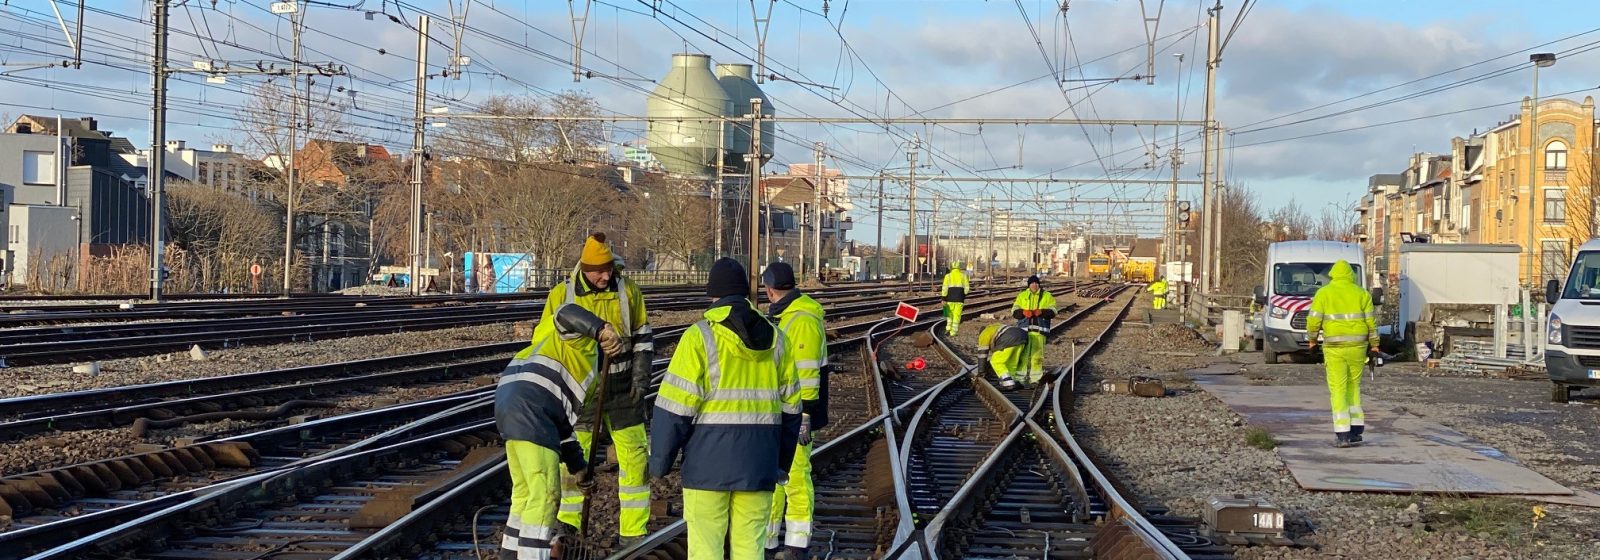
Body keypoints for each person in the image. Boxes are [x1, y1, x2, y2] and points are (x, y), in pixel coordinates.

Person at [651, 258, 802, 560]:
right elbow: (792, 411)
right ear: (746, 293)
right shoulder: (777, 339)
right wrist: (780, 463)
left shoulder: (700, 337)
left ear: (712, 295)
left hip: (707, 467)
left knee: (706, 549)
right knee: (750, 548)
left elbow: (673, 410)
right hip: (759, 465)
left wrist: (660, 463)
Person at [543, 233, 655, 544]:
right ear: (585, 268)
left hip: (622, 389)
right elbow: (545, 343)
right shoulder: (562, 295)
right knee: (574, 461)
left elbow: (643, 337)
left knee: (635, 456)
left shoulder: (628, 291)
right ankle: (568, 526)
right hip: (582, 392)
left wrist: (641, 377)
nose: (606, 276)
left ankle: (633, 531)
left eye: (609, 269)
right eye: (599, 271)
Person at [495, 302, 626, 560]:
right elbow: (565, 312)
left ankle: (509, 555)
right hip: (533, 407)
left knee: (524, 494)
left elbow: (562, 427)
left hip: (509, 404)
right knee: (546, 496)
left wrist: (579, 468)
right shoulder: (577, 344)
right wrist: (602, 329)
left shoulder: (544, 354)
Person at [760, 263, 829, 559]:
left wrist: (803, 417)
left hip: (795, 415)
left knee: (795, 477)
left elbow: (806, 376)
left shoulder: (801, 320)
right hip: (781, 412)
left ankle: (797, 544)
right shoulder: (788, 315)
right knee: (774, 478)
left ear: (769, 289)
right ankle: (769, 539)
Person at [1304, 259, 1379, 448]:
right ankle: (1356, 431)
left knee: (1338, 389)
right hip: (1358, 348)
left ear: (1333, 275)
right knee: (1353, 387)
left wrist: (1312, 341)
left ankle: (1342, 434)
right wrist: (1375, 346)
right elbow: (1371, 323)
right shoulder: (1362, 294)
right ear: (1350, 275)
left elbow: (1314, 321)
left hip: (1335, 349)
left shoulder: (1324, 293)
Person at [1011, 275, 1058, 384]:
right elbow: (1014, 311)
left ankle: (1035, 379)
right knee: (1022, 356)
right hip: (1024, 332)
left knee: (1037, 357)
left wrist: (1042, 311)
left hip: (1039, 332)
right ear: (1029, 285)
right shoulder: (1022, 296)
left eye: (1036, 283)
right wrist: (1023, 312)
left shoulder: (1047, 296)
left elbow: (1054, 310)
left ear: (1039, 284)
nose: (1034, 285)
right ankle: (1020, 378)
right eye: (1032, 283)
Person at [977, 323, 1028, 390]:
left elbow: (982, 355)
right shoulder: (994, 327)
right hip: (1022, 336)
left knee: (996, 362)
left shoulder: (984, 334)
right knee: (1011, 362)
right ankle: (1013, 380)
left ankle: (1008, 383)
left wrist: (981, 371)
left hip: (1009, 338)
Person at [941, 261, 970, 336]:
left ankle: (948, 329)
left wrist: (943, 298)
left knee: (949, 315)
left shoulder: (948, 276)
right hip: (959, 299)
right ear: (959, 267)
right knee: (957, 316)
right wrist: (963, 294)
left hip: (949, 299)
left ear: (952, 267)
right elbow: (967, 289)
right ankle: (953, 332)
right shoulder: (963, 276)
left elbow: (944, 288)